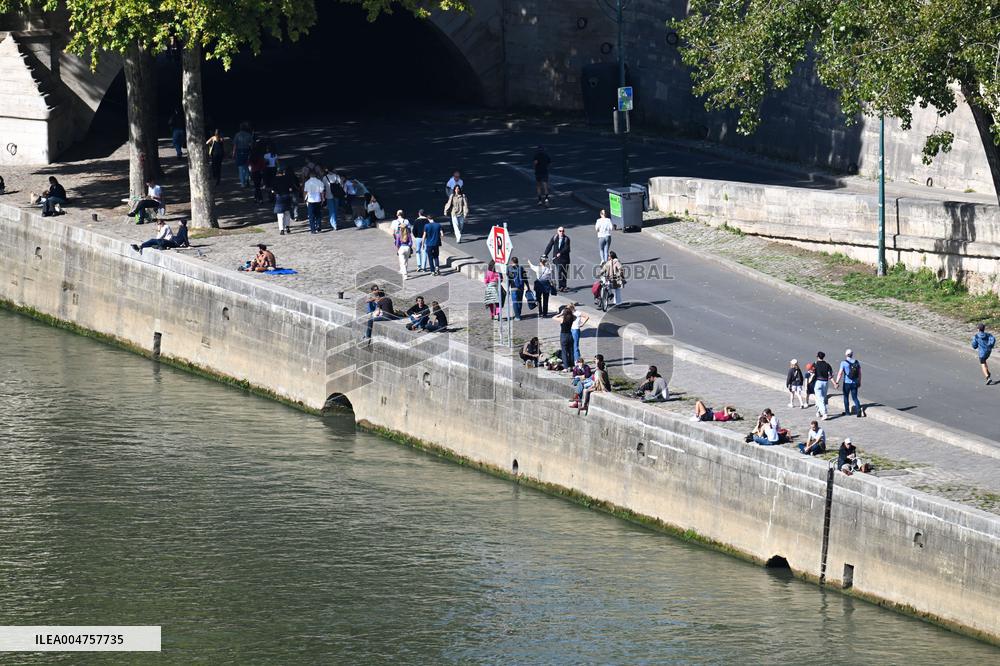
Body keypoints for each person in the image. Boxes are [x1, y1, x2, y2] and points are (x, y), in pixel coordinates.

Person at [833, 348, 863, 418]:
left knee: (846, 397)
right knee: (855, 397)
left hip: (846, 383)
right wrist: (859, 381)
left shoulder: (843, 363)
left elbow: (840, 373)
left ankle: (847, 412)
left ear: (846, 354)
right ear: (852, 354)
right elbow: (859, 373)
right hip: (854, 383)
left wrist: (837, 382)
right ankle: (858, 409)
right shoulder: (856, 362)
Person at [542, 227, 571, 292]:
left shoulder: (567, 239)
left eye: (563, 231)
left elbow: (567, 249)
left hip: (565, 259)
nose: (561, 232)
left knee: (564, 273)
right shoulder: (554, 237)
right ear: (557, 231)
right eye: (560, 231)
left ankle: (564, 286)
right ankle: (561, 286)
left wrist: (561, 253)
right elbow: (549, 246)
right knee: (560, 272)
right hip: (557, 259)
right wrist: (545, 254)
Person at [553, 305, 577, 370]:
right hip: (570, 335)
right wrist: (570, 313)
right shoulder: (572, 318)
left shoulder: (562, 319)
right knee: (571, 351)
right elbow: (575, 317)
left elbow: (554, 317)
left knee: (564, 352)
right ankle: (572, 366)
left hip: (563, 335)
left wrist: (561, 314)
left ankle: (566, 367)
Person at [272, 170, 294, 235]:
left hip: (279, 197)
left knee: (280, 214)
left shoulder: (275, 179)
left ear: (277, 174)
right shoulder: (287, 178)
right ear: (283, 173)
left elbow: (273, 190)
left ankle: (282, 230)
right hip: (287, 196)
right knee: (287, 213)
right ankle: (287, 227)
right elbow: (291, 188)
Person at [813, 351, 834, 420]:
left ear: (817, 357)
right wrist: (834, 383)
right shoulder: (827, 365)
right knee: (822, 398)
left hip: (818, 382)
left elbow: (812, 372)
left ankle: (824, 414)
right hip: (825, 383)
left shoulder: (815, 364)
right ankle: (819, 412)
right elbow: (831, 375)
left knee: (820, 399)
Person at [232, 122, 254, 188]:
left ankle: (242, 183)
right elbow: (251, 145)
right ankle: (247, 179)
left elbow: (235, 145)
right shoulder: (249, 135)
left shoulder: (237, 135)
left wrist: (233, 153)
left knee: (241, 168)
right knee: (247, 166)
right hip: (247, 151)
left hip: (239, 152)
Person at [507, 256, 526, 321]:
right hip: (521, 287)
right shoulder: (521, 268)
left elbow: (509, 279)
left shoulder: (509, 268)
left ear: (512, 262)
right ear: (517, 261)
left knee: (515, 302)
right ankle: (519, 314)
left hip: (513, 287)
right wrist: (528, 287)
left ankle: (517, 316)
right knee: (520, 301)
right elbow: (525, 278)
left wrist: (507, 288)